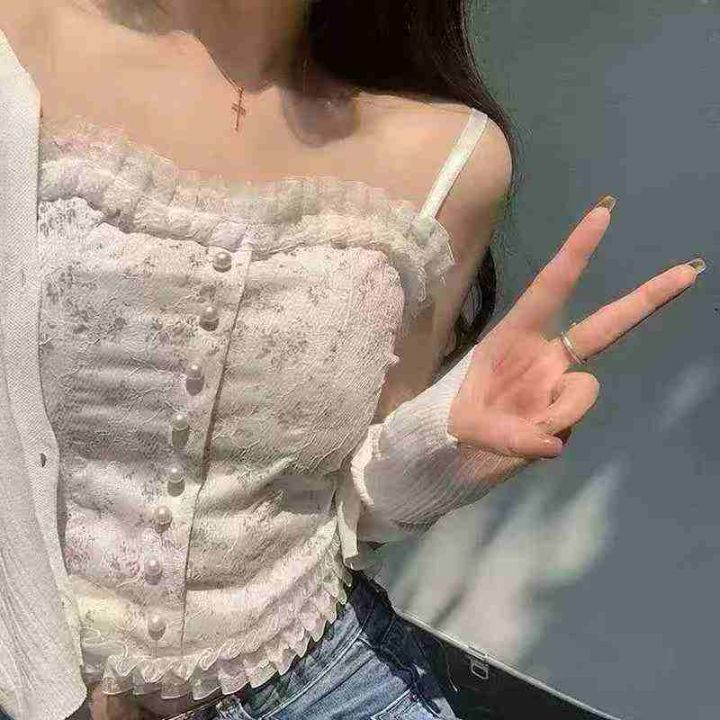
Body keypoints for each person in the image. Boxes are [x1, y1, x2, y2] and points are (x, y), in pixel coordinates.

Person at [0, 2, 705, 719]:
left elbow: (359, 500)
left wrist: (444, 449)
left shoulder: (457, 158)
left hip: (324, 685)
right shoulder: (19, 40)